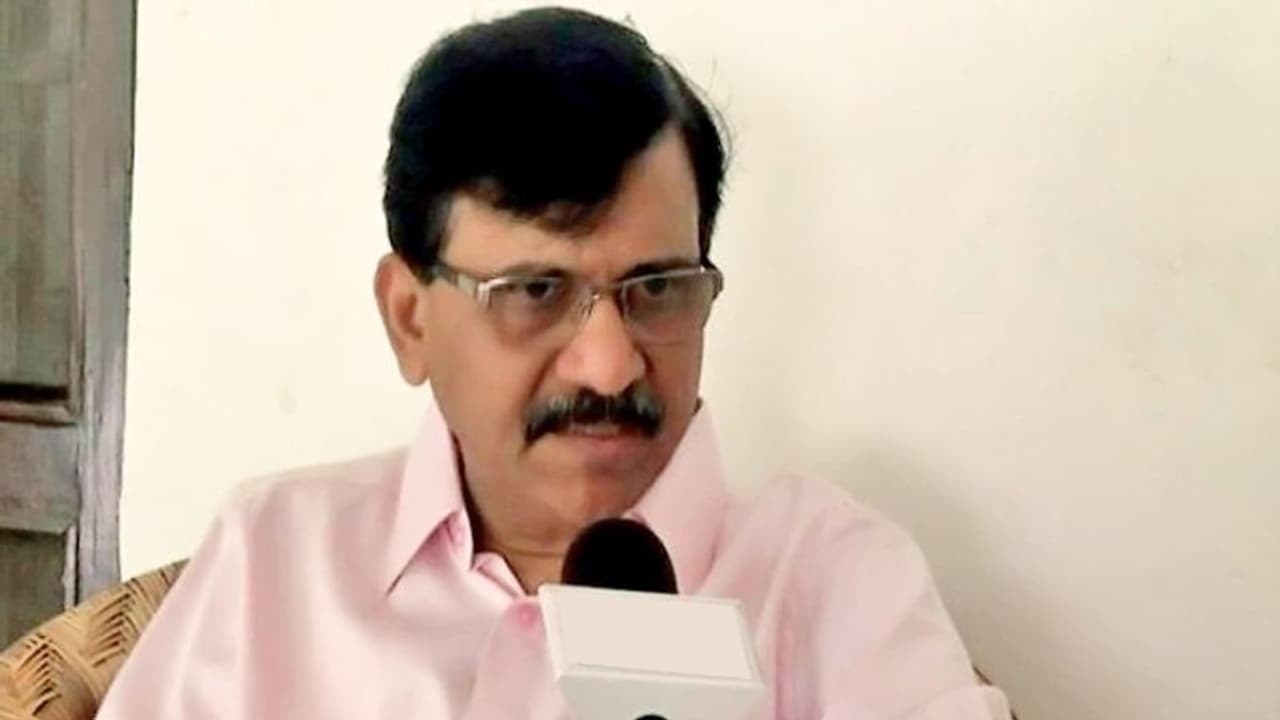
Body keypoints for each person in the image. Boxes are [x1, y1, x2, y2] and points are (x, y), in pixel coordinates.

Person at [98, 7, 1011, 719]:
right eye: (536, 291)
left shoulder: (835, 583)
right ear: (410, 317)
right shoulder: (273, 561)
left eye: (658, 288)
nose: (610, 368)